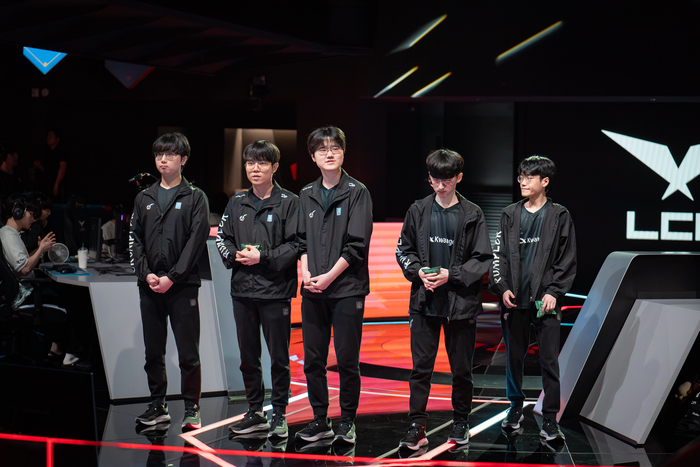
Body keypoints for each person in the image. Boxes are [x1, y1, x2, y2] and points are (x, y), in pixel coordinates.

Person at [394, 149, 493, 449]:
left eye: (446, 181)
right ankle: (416, 426)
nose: (440, 186)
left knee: (461, 370)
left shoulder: (472, 213)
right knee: (420, 369)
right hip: (424, 303)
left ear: (459, 178)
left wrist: (452, 275)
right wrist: (418, 272)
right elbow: (403, 250)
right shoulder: (417, 209)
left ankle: (461, 422)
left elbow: (482, 258)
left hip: (460, 305)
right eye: (435, 180)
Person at [489, 155, 577, 442]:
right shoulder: (509, 214)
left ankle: (550, 419)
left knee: (549, 361)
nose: (523, 182)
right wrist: (502, 287)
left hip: (545, 301)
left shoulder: (559, 215)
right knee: (513, 358)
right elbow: (499, 256)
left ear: (545, 181)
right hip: (514, 300)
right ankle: (515, 408)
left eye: (529, 177)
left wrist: (554, 292)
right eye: (521, 176)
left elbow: (567, 259)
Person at [216, 140, 299, 438]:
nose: (255, 168)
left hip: (276, 291)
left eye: (262, 163)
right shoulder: (236, 201)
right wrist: (234, 255)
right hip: (242, 291)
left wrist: (262, 257)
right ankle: (254, 412)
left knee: (279, 358)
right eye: (250, 163)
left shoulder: (290, 201)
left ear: (274, 167)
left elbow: (296, 244)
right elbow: (222, 238)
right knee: (248, 357)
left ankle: (280, 413)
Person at [295, 126, 373, 444]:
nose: (329, 153)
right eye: (322, 149)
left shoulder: (358, 192)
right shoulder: (305, 194)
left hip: (347, 290)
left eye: (335, 148)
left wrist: (328, 277)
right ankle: (319, 420)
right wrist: (305, 272)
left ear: (343, 152)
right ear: (313, 156)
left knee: (346, 360)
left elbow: (357, 245)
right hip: (313, 289)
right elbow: (300, 240)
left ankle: (347, 421)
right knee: (313, 359)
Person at [130, 133, 210, 431]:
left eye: (170, 155)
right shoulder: (144, 197)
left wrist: (172, 277)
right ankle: (157, 405)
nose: (163, 160)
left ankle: (192, 408)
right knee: (153, 352)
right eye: (159, 155)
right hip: (150, 285)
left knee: (188, 353)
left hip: (183, 285)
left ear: (183, 159)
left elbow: (196, 242)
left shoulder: (195, 197)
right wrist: (145, 273)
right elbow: (135, 239)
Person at [0, 193, 88, 367]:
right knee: (75, 303)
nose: (33, 218)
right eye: (31, 214)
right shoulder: (8, 236)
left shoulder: (11, 234)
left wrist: (40, 249)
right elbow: (25, 269)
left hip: (25, 290)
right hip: (24, 295)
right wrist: (40, 249)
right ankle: (71, 352)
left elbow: (23, 261)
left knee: (69, 296)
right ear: (18, 213)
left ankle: (57, 348)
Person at [33, 129, 68, 201]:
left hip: (58, 186)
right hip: (49, 185)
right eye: (48, 135)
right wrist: (39, 165)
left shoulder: (61, 151)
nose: (48, 138)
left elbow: (63, 167)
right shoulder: (48, 153)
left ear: (57, 139)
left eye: (51, 135)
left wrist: (57, 184)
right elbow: (47, 171)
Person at [0, 142, 24, 206]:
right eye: (12, 154)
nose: (16, 157)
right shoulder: (1, 177)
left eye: (16, 154)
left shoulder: (17, 175)